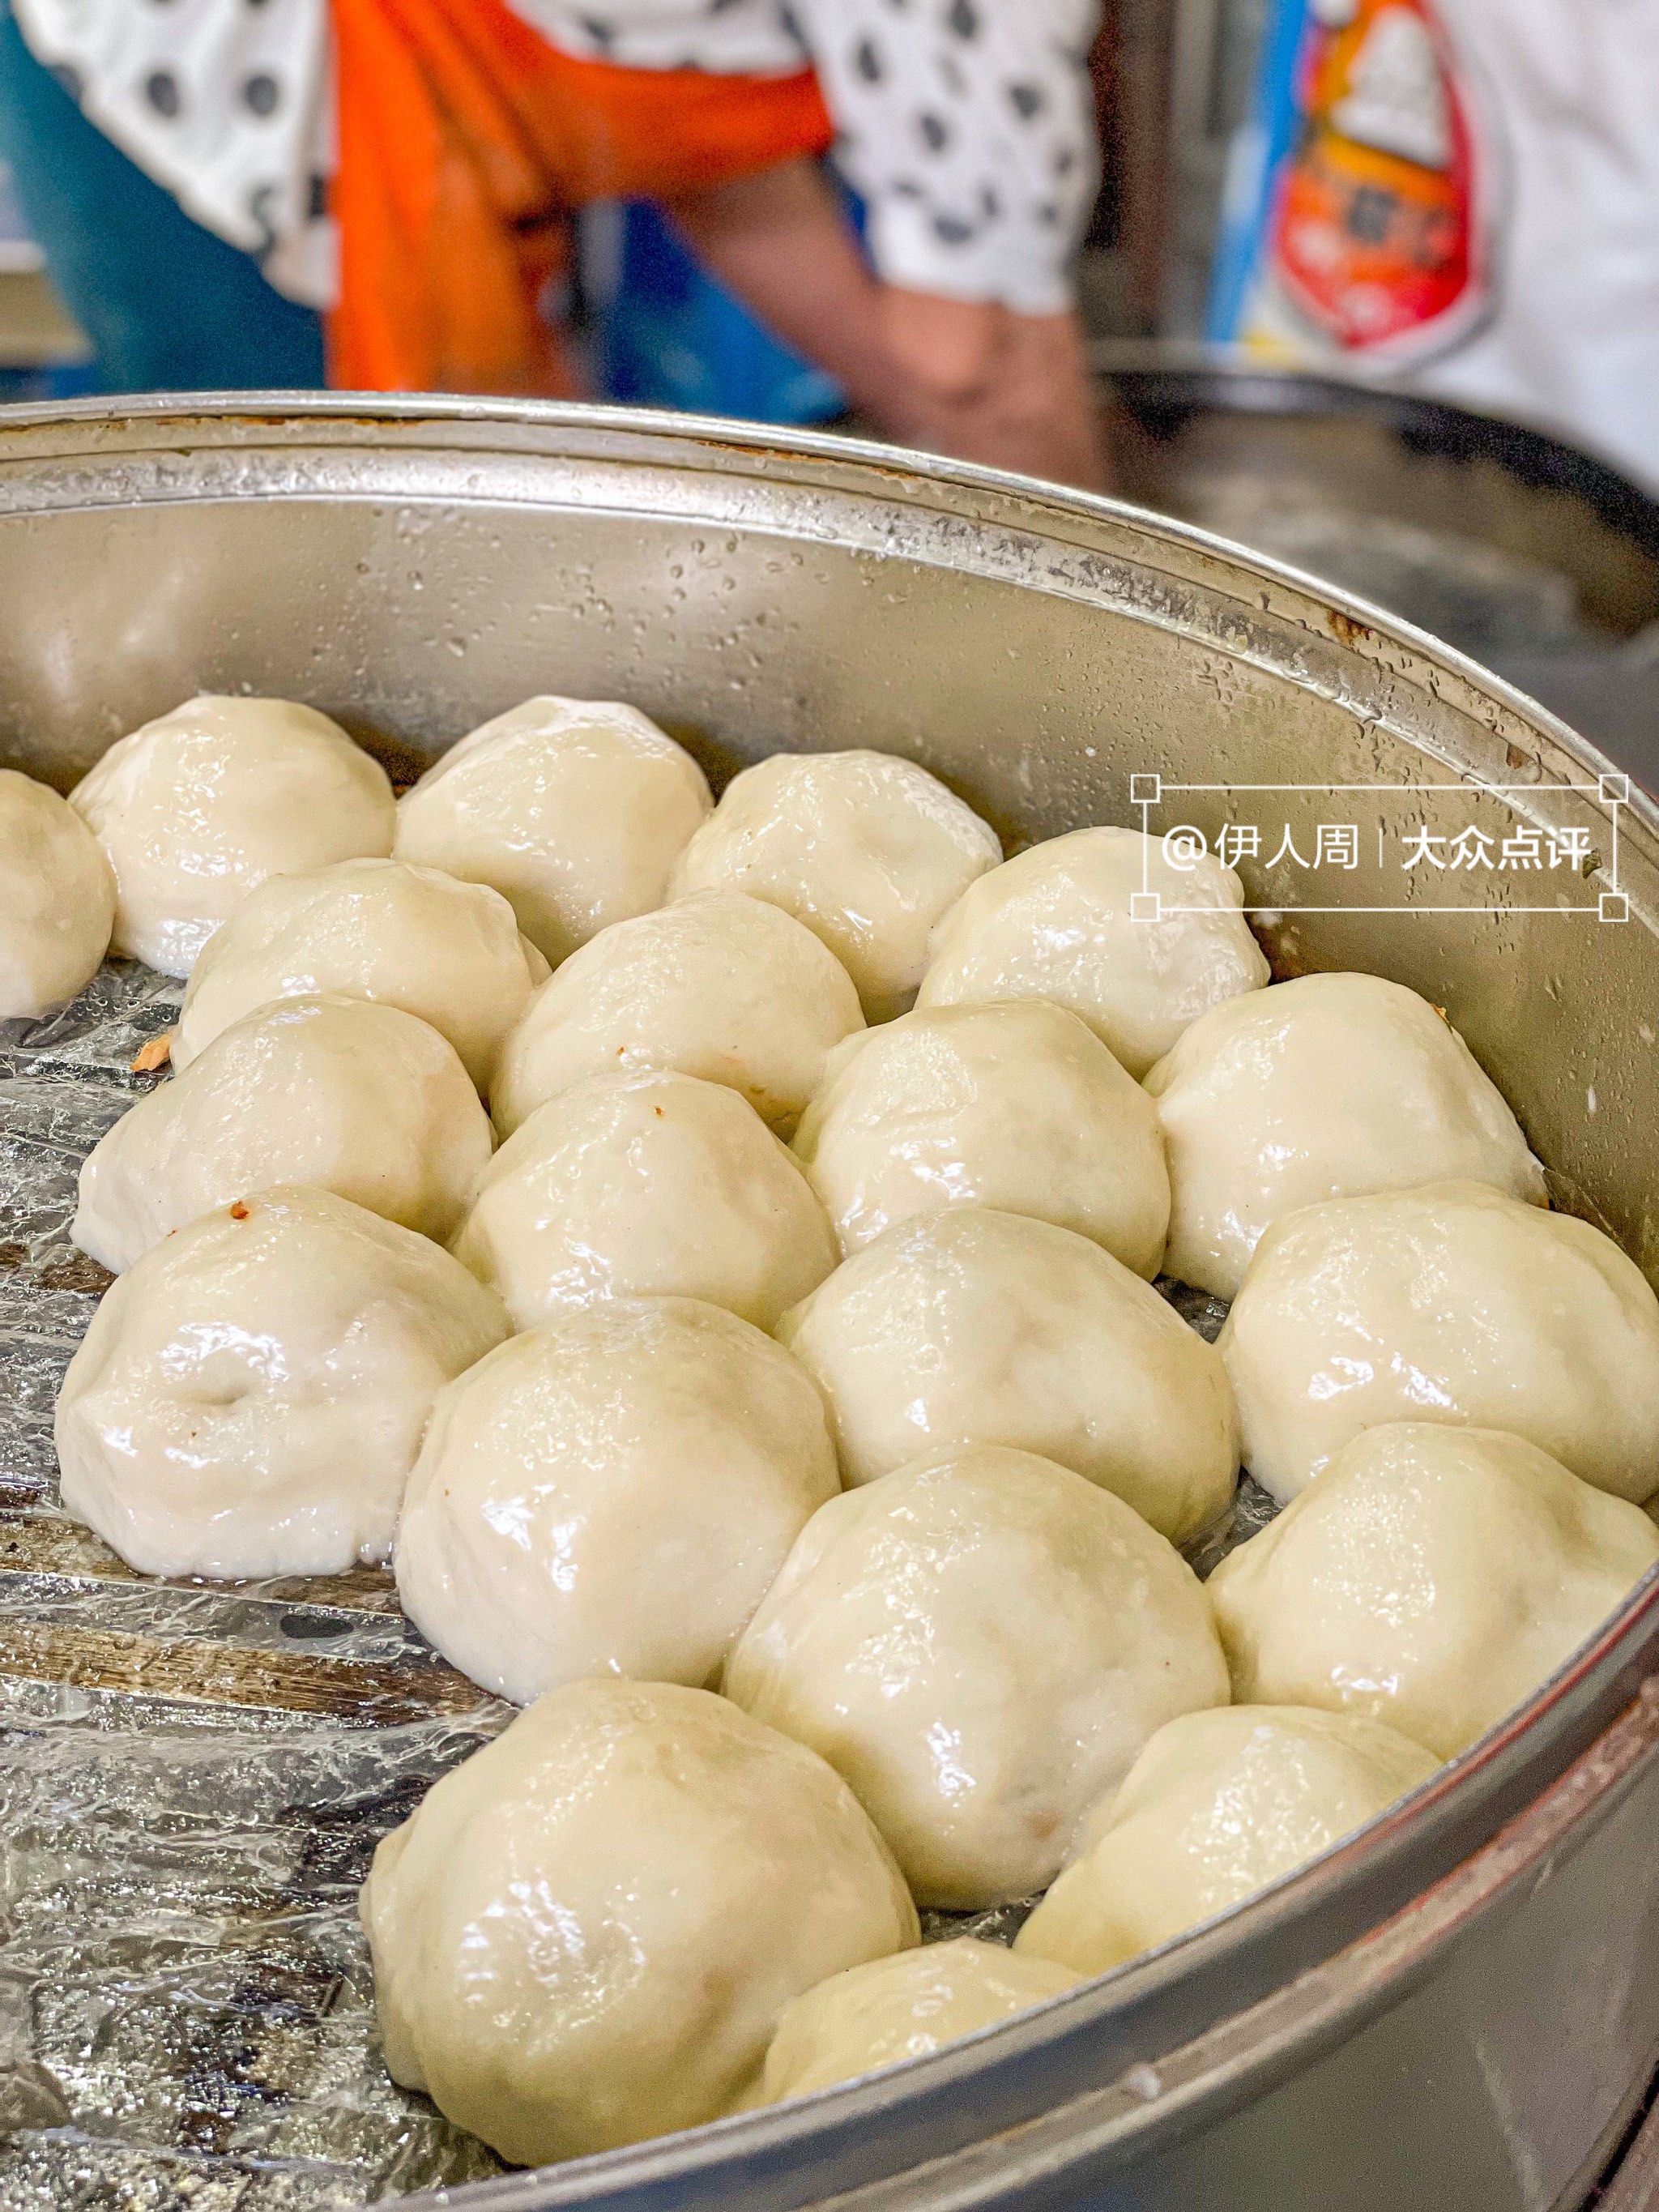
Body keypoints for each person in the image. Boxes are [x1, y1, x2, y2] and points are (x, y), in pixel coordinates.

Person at [0, 0, 1110, 488]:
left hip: (429, 117)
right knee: (298, 597)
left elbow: (715, 151)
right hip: (197, 68)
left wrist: (932, 430)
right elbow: (983, 365)